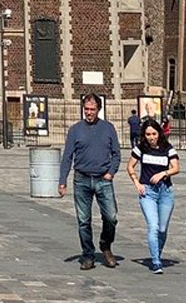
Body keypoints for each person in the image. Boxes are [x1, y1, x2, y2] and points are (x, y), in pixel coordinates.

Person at [57, 93, 121, 271]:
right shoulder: (75, 129)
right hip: (82, 179)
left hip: (103, 179)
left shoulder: (108, 128)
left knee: (111, 217)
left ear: (99, 109)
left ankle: (105, 245)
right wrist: (62, 181)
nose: (89, 112)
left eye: (92, 109)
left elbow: (117, 154)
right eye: (86, 109)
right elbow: (67, 157)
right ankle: (88, 255)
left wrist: (111, 172)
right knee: (84, 220)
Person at [127, 116, 180, 274]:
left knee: (162, 229)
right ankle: (156, 261)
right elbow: (130, 167)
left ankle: (157, 253)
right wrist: (137, 183)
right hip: (148, 192)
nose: (151, 138)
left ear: (159, 133)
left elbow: (176, 167)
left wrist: (164, 173)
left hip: (165, 191)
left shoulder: (167, 148)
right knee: (153, 226)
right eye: (148, 134)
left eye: (154, 134)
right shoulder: (140, 148)